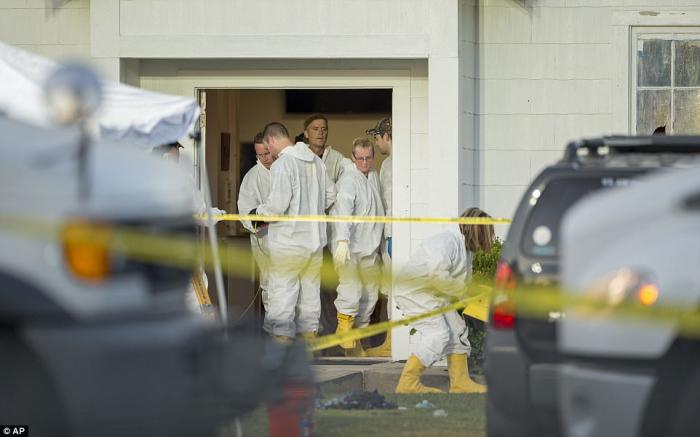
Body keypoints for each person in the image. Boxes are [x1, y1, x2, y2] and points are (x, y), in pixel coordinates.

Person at [394, 207, 493, 394]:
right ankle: (408, 383)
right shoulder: (446, 241)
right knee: (437, 334)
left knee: (457, 330)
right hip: (415, 292)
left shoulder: (465, 250)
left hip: (435, 294)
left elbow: (462, 285)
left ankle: (460, 383)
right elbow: (437, 275)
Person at [256, 122, 336, 342]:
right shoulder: (317, 162)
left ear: (271, 140)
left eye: (267, 148)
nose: (269, 154)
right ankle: (308, 347)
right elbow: (331, 195)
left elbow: (277, 206)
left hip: (288, 243)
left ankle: (280, 351)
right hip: (314, 242)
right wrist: (313, 208)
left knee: (283, 296)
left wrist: (258, 212)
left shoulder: (283, 165)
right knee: (310, 297)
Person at [331, 136, 385, 356]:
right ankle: (344, 331)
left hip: (369, 247)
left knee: (370, 296)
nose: (364, 162)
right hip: (349, 248)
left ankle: (357, 342)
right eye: (360, 158)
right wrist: (342, 241)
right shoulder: (348, 179)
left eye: (368, 158)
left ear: (373, 157)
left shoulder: (373, 177)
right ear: (353, 157)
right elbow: (343, 211)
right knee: (351, 290)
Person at [237, 132, 276, 311]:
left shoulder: (287, 170)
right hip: (265, 242)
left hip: (292, 242)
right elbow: (246, 213)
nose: (264, 158)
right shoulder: (252, 178)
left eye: (267, 153)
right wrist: (265, 220)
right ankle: (277, 336)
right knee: (271, 290)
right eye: (260, 155)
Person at [364, 117, 393, 357]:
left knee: (393, 289)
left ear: (386, 136)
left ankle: (392, 342)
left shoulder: (391, 165)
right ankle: (391, 340)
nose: (377, 142)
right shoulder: (392, 164)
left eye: (377, 137)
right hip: (392, 234)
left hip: (393, 235)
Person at [303, 114, 346, 184]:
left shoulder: (338, 158)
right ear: (306, 134)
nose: (320, 133)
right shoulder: (298, 157)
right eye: (315, 129)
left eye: (324, 129)